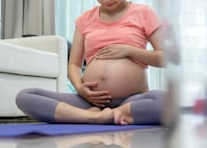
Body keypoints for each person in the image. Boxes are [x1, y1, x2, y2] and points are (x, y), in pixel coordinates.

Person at [16, 0, 166, 125]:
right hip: (89, 102)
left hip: (131, 100)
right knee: (26, 96)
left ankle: (117, 113)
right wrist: (80, 88)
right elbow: (74, 64)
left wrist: (129, 51)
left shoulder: (144, 13)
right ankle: (93, 117)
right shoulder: (85, 19)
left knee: (165, 100)